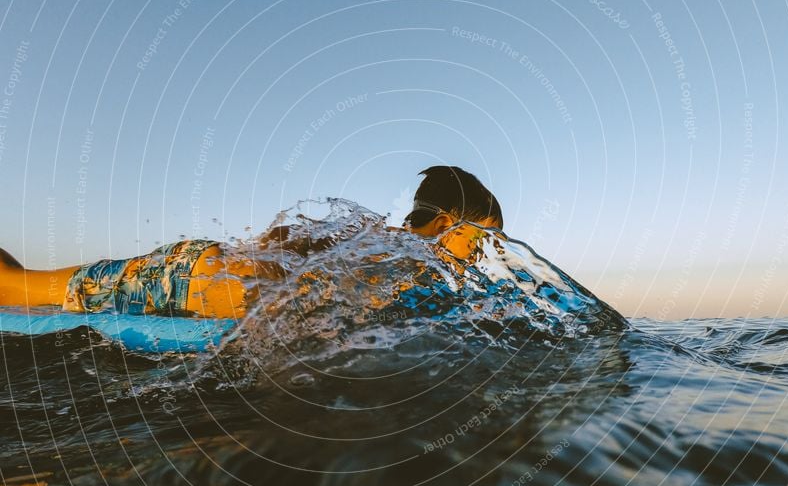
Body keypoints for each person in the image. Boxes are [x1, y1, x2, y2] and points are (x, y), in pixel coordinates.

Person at [0, 165, 503, 318]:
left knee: (21, 286)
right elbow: (286, 234)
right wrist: (262, 270)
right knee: (18, 289)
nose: (482, 254)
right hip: (199, 277)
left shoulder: (397, 258)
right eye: (479, 239)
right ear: (446, 224)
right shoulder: (381, 240)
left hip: (204, 280)